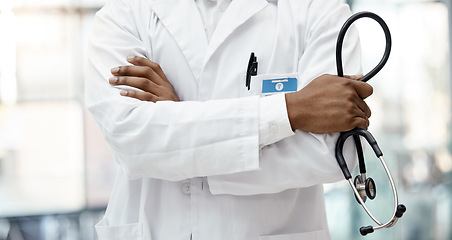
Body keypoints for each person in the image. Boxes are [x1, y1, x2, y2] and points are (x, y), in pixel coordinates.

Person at [85, 0, 373, 239]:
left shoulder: (319, 12)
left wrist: (176, 124)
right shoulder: (123, 16)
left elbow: (330, 154)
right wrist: (290, 110)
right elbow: (133, 142)